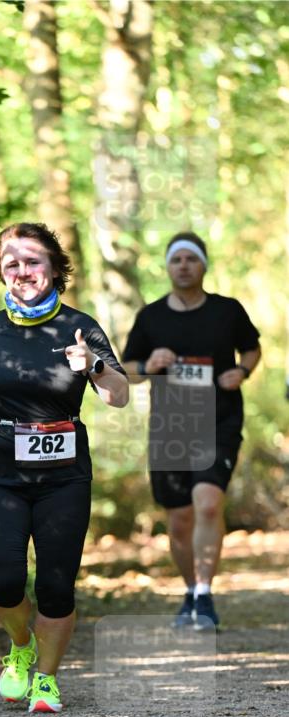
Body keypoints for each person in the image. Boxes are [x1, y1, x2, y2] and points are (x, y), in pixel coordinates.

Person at [0, 222, 128, 713]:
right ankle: (22, 644)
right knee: (1, 581)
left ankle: (46, 679)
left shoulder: (80, 327)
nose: (23, 271)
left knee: (55, 585)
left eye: (33, 261)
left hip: (63, 476)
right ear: (2, 272)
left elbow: (118, 396)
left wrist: (94, 365)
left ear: (54, 267)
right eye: (12, 263)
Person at [122, 231, 261, 630]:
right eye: (176, 259)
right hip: (171, 426)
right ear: (167, 267)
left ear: (204, 265)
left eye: (191, 259)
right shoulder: (150, 317)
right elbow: (127, 372)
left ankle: (204, 595)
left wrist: (243, 371)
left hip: (218, 421)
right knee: (179, 519)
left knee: (208, 504)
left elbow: (252, 348)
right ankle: (189, 593)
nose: (183, 265)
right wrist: (151, 365)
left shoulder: (227, 311)